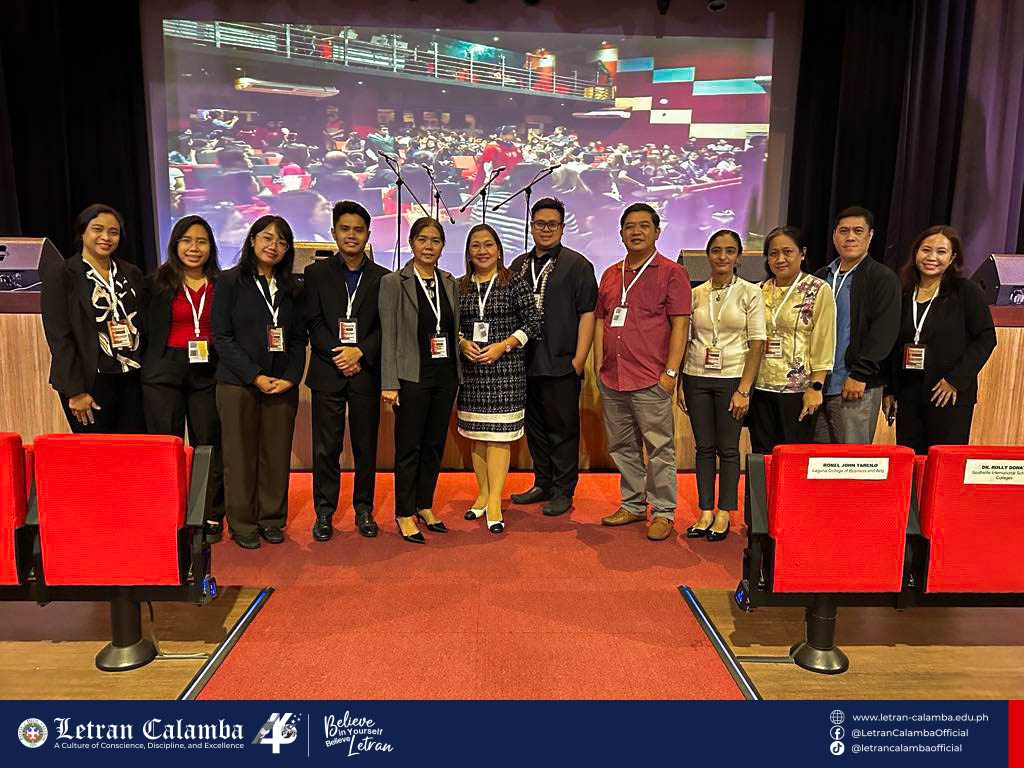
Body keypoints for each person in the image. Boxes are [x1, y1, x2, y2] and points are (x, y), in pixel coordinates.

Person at [595, 203, 691, 541]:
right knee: (622, 447)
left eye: (644, 226)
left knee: (659, 449)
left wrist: (671, 374)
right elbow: (602, 321)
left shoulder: (672, 273)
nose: (636, 232)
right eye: (629, 227)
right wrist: (599, 366)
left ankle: (663, 511)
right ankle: (633, 504)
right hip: (613, 377)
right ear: (621, 233)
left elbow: (680, 327)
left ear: (656, 232)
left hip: (651, 378)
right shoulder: (610, 274)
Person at [213, 215, 307, 549]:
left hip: (281, 385)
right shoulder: (228, 282)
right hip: (238, 384)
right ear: (252, 240)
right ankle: (242, 524)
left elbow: (298, 340)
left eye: (282, 241)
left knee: (276, 455)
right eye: (267, 238)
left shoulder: (293, 288)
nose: (274, 246)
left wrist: (290, 379)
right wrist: (254, 375)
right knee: (239, 457)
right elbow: (222, 337)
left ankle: (271, 519)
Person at [304, 201, 390, 541]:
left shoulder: (383, 277)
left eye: (358, 230)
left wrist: (360, 351)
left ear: (368, 234)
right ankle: (324, 512)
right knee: (326, 448)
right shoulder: (316, 273)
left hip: (365, 371)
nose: (351, 235)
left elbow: (385, 326)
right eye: (344, 229)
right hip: (328, 370)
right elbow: (313, 322)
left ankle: (364, 509)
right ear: (333, 233)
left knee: (366, 447)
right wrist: (339, 354)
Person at [508, 198, 597, 516]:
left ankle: (563, 490)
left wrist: (579, 360)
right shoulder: (518, 265)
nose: (545, 229)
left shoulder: (577, 264)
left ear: (562, 227)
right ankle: (543, 482)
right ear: (531, 226)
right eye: (539, 224)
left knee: (563, 431)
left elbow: (588, 313)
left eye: (552, 224)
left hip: (561, 363)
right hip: (524, 363)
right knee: (535, 429)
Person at [142, 215, 226, 541]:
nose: (194, 248)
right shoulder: (155, 283)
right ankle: (168, 511)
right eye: (187, 240)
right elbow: (145, 329)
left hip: (208, 369)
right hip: (164, 369)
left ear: (211, 247)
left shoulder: (222, 284)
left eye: (201, 241)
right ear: (175, 244)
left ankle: (210, 512)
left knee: (208, 443)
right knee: (167, 444)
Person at [679, 230, 766, 542]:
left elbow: (757, 343)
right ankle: (705, 510)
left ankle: (725, 512)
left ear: (738, 256)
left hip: (732, 379)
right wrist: (680, 384)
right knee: (703, 448)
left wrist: (744, 389)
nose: (722, 256)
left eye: (730, 251)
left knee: (728, 449)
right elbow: (686, 340)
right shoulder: (696, 293)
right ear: (707, 255)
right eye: (716, 250)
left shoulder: (750, 292)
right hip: (696, 377)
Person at [379, 218, 461, 544]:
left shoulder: (449, 282)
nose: (429, 246)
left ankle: (424, 504)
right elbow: (388, 335)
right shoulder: (393, 282)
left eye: (435, 241)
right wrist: (389, 382)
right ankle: (403, 512)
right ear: (412, 242)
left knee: (434, 445)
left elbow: (452, 328)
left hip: (445, 376)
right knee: (409, 447)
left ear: (442, 246)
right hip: (411, 376)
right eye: (422, 239)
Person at [456, 224, 542, 533]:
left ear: (499, 250)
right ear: (468, 252)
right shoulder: (460, 286)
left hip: (506, 372)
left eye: (488, 245)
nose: (482, 251)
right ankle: (482, 494)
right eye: (476, 245)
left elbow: (534, 323)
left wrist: (504, 345)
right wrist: (462, 343)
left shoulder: (514, 282)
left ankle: (494, 501)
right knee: (478, 437)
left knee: (499, 437)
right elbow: (450, 325)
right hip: (472, 374)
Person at [882, 226, 996, 454]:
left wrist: (955, 380)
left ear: (952, 258)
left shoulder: (966, 291)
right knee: (912, 460)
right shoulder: (903, 292)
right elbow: (892, 345)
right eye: (926, 250)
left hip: (948, 394)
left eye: (941, 252)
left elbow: (986, 338)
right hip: (908, 393)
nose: (932, 257)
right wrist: (889, 389)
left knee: (944, 462)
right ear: (916, 253)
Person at [40, 204, 146, 433]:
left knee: (133, 449)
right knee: (97, 451)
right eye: (97, 229)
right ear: (82, 232)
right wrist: (75, 391)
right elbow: (59, 337)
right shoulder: (62, 275)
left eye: (113, 232)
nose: (106, 237)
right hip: (90, 381)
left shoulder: (131, 273)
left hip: (132, 378)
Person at [813, 206, 901, 444]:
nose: (850, 237)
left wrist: (860, 374)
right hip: (817, 387)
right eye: (844, 231)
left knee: (851, 460)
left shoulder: (882, 278)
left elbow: (884, 333)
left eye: (858, 231)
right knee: (818, 460)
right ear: (834, 235)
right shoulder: (820, 277)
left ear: (870, 236)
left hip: (855, 385)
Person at [748, 226, 836, 453]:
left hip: (798, 390)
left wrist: (816, 386)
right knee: (762, 454)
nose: (780, 259)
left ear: (802, 253)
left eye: (787, 252)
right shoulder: (757, 291)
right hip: (760, 387)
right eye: (773, 253)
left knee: (793, 456)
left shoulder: (818, 289)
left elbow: (824, 340)